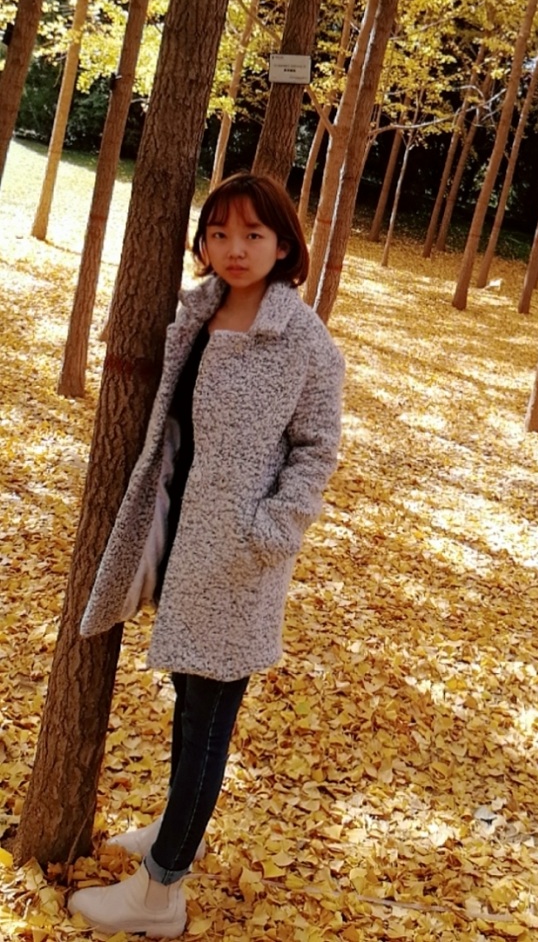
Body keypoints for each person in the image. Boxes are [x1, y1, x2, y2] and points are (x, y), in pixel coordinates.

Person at [68, 172, 345, 938]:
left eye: (253, 234)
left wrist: (271, 532)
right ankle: (172, 832)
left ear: (284, 244)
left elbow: (317, 450)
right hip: (184, 542)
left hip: (239, 560)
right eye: (219, 233)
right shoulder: (198, 311)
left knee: (207, 723)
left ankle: (160, 895)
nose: (234, 248)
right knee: (190, 710)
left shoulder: (305, 340)